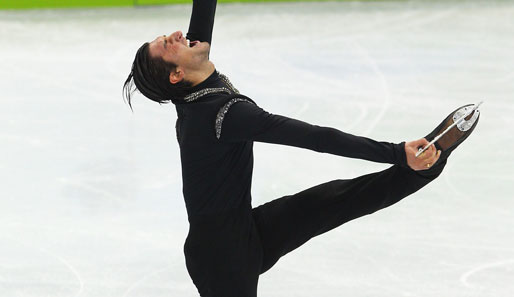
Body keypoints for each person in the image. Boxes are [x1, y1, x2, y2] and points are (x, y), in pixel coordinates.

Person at [123, 1, 480, 296]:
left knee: (340, 200)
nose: (177, 35)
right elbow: (315, 138)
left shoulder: (189, 86)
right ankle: (412, 161)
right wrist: (394, 150)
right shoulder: (222, 115)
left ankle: (427, 164)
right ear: (175, 75)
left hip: (242, 230)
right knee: (341, 199)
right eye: (168, 44)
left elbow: (200, 20)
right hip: (221, 257)